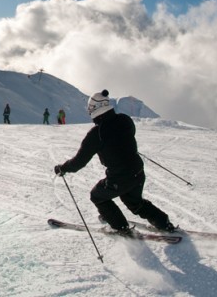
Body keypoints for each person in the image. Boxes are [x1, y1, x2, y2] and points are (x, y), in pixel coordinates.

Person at [53, 90, 176, 236]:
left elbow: (79, 161)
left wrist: (63, 168)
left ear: (95, 109)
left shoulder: (96, 133)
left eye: (90, 109)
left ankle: (121, 227)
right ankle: (163, 223)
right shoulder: (125, 119)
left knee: (97, 196)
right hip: (137, 171)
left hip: (120, 176)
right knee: (134, 202)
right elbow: (128, 135)